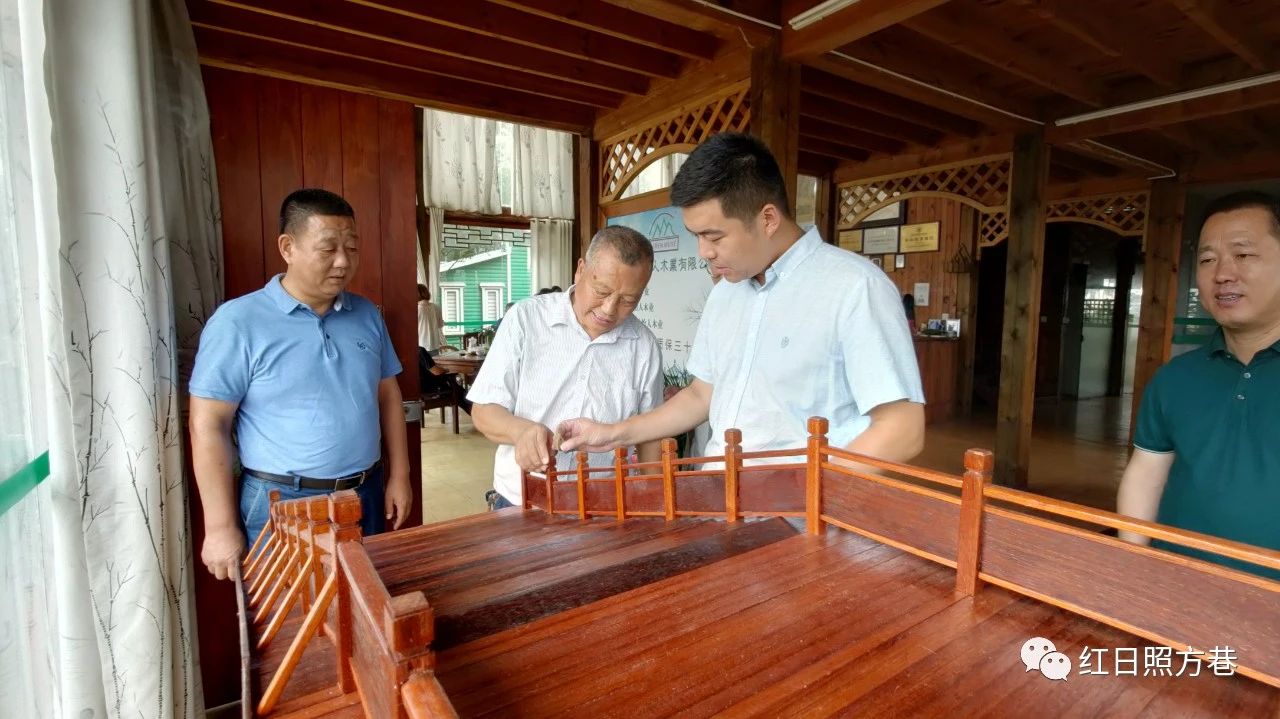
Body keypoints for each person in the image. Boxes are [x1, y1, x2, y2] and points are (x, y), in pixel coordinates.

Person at [557, 133, 925, 470]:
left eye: (714, 236)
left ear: (768, 219)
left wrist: (805, 498)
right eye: (696, 236)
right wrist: (612, 433)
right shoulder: (726, 292)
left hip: (796, 513)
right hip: (720, 500)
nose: (703, 252)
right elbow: (700, 396)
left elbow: (902, 429)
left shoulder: (854, 288)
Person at [189, 188, 412, 581]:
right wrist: (220, 526)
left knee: (369, 603)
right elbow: (208, 423)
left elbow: (388, 397)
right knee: (293, 615)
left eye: (351, 248)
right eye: (328, 249)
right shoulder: (238, 322)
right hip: (283, 501)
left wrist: (399, 476)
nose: (343, 261)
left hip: (365, 491)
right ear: (287, 247)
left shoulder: (365, 314)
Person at [1117, 190, 1280, 579]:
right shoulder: (1175, 378)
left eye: (1243, 254)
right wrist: (1131, 564)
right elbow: (1147, 474)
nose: (1222, 273)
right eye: (1207, 259)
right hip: (1176, 586)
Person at [468, 227, 664, 509]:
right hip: (521, 501)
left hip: (605, 504)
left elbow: (651, 437)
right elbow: (484, 410)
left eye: (628, 300)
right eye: (602, 291)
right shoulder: (526, 319)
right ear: (580, 270)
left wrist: (653, 501)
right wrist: (520, 432)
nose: (609, 309)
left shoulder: (643, 346)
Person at [418, 283, 445, 355]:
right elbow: (440, 325)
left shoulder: (416, 309)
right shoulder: (436, 307)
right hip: (434, 344)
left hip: (421, 345)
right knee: (433, 362)